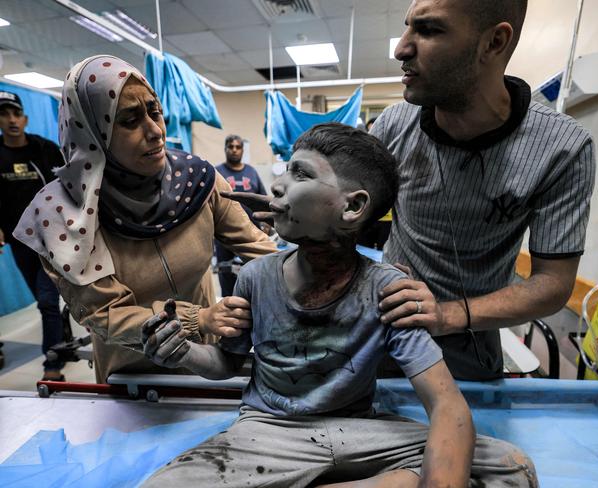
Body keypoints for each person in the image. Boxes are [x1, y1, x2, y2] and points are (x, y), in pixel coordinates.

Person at [141, 123, 537, 487]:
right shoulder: (255, 278)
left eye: (301, 174)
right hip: (269, 430)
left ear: (352, 207)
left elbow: (447, 404)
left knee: (510, 468)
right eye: (284, 171)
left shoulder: (389, 289)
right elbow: (227, 363)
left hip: (361, 431)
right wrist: (184, 351)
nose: (278, 185)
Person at [223, 0, 596, 383]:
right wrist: (302, 214)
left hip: (468, 344)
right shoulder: (394, 126)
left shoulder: (562, 149)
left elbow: (552, 284)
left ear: (494, 42)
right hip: (377, 328)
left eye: (430, 30)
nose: (402, 48)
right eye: (407, 28)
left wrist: (449, 315)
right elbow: (348, 213)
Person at [12, 55, 276, 383]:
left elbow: (262, 251)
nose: (155, 131)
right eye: (129, 120)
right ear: (95, 132)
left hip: (208, 365)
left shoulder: (198, 182)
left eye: (154, 112)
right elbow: (107, 314)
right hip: (132, 376)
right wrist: (199, 319)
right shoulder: (63, 215)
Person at [0, 90, 67, 380]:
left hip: (50, 240)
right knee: (45, 300)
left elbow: (68, 187)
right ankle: (61, 335)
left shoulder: (45, 149)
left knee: (46, 300)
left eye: (16, 114)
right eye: (4, 114)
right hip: (19, 242)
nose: (12, 120)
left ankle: (53, 364)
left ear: (25, 118)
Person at [214, 134, 267, 296]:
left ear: (243, 150)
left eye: (238, 147)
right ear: (225, 149)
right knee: (227, 274)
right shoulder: (217, 172)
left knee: (255, 273)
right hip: (224, 235)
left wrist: (266, 226)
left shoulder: (251, 172)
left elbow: (263, 199)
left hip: (251, 233)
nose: (235, 150)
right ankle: (228, 307)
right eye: (231, 147)